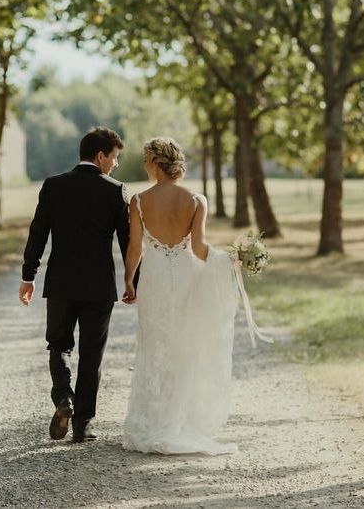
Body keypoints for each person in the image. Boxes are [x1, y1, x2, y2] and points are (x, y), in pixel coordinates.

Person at [122, 136, 265, 456]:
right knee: (183, 346)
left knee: (154, 345)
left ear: (157, 163)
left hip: (155, 280)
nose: (145, 166)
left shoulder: (139, 201)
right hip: (186, 278)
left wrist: (129, 281)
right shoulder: (196, 199)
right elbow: (200, 250)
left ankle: (153, 421)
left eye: (147, 161)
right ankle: (178, 420)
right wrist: (229, 259)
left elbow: (135, 249)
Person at [19, 126, 130, 444]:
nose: (116, 164)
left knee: (59, 345)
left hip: (61, 284)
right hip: (99, 287)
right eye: (115, 157)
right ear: (100, 156)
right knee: (92, 354)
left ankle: (63, 399)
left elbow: (37, 234)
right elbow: (127, 242)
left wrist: (29, 276)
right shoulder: (115, 190)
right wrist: (132, 281)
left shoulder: (53, 186)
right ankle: (82, 425)